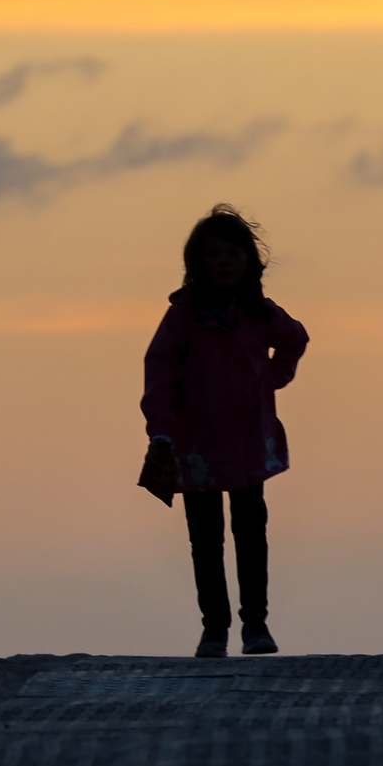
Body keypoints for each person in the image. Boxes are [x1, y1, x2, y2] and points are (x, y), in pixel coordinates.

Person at [140, 204, 309, 658]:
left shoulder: (259, 313)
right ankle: (214, 628)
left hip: (248, 443)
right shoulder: (182, 317)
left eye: (233, 251)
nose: (224, 261)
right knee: (205, 540)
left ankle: (255, 624)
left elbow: (295, 338)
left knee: (251, 535)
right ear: (197, 264)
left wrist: (275, 377)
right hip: (195, 448)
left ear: (250, 259)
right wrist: (160, 432)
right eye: (213, 254)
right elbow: (159, 373)